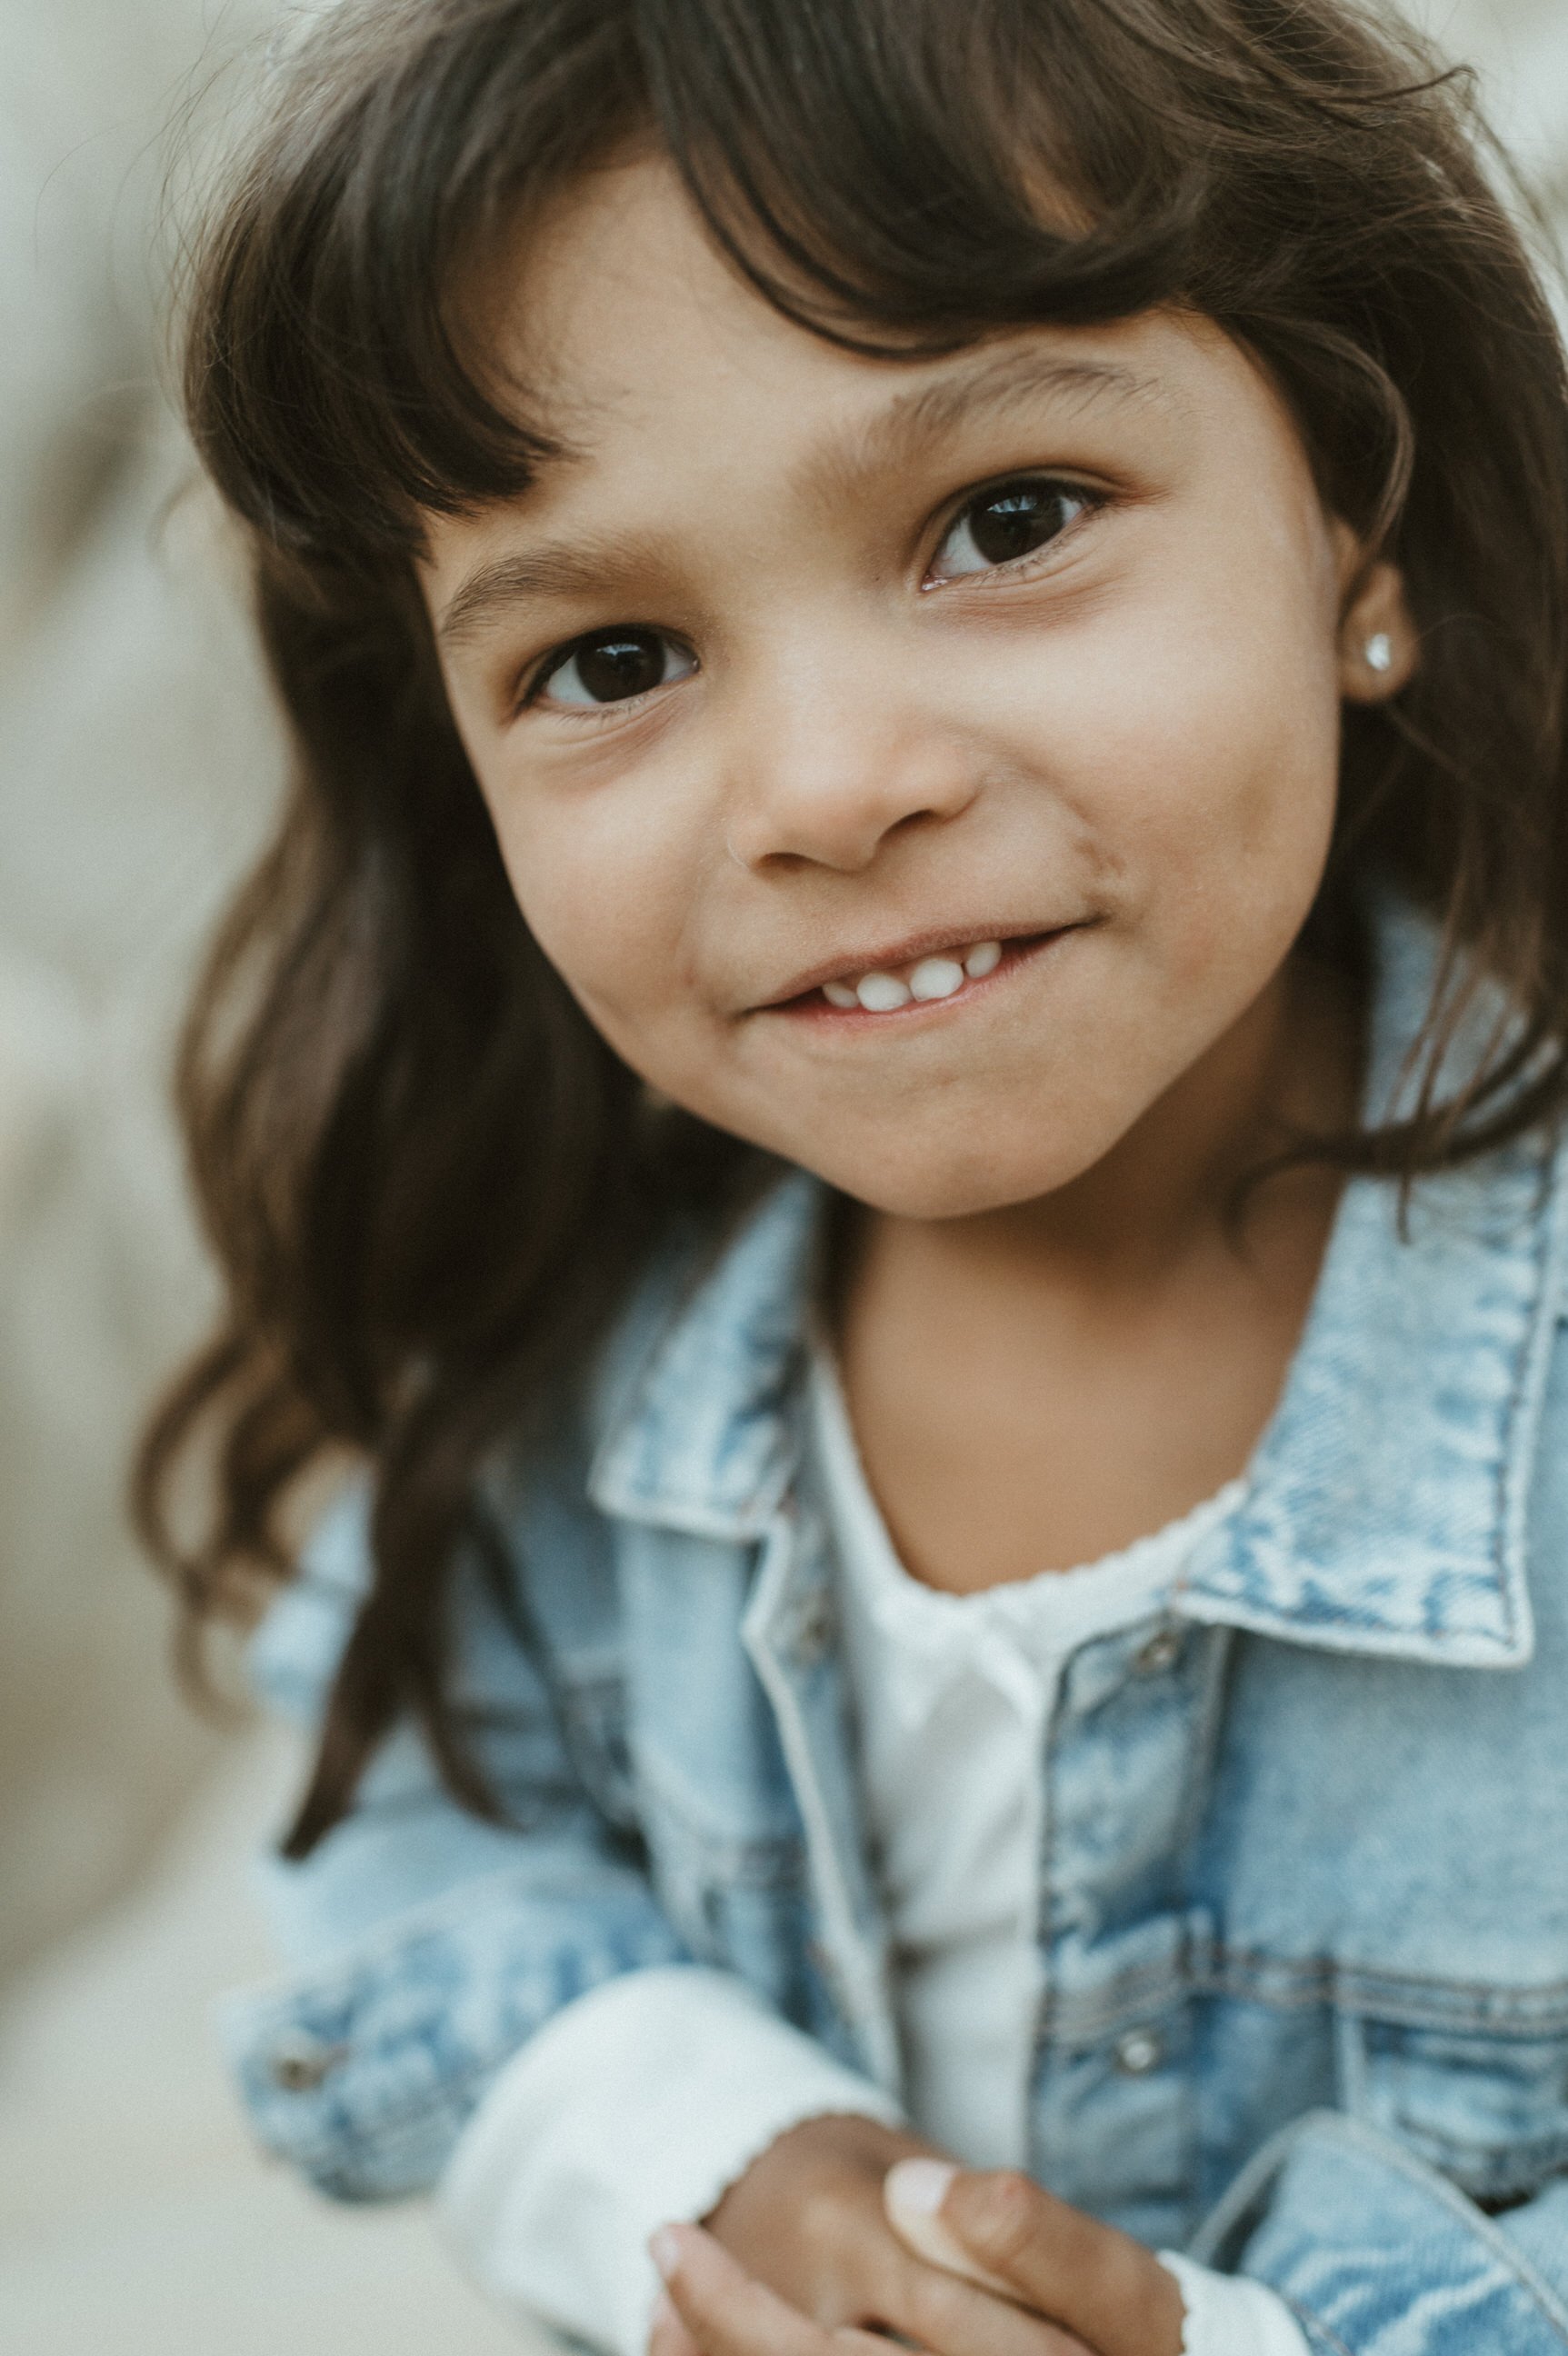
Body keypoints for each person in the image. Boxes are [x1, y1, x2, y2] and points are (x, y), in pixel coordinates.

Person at [137, 2, 1568, 2351]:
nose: (825, 786)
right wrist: (718, 2156)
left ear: (1354, 521)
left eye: (1005, 523)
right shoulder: (565, 1327)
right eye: (609, 657)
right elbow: (412, 1830)